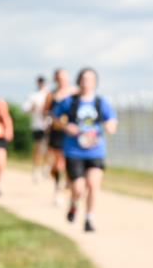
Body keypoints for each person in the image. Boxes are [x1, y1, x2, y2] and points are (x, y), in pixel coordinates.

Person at [51, 67, 118, 233]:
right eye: (84, 79)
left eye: (90, 79)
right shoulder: (70, 102)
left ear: (95, 83)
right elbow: (54, 116)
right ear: (79, 81)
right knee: (78, 188)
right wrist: (66, 126)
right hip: (74, 151)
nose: (87, 82)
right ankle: (74, 204)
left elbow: (112, 120)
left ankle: (89, 219)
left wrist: (110, 126)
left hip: (95, 151)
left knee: (93, 185)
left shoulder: (100, 102)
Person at [44, 68, 77, 205]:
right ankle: (58, 189)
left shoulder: (75, 93)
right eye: (59, 78)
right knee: (59, 162)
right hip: (57, 131)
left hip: (71, 131)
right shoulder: (52, 95)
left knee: (70, 161)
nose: (62, 80)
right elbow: (46, 112)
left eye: (64, 77)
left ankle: (69, 186)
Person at [23, 75, 51, 180]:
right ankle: (36, 168)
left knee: (48, 148)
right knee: (38, 147)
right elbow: (25, 109)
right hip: (37, 125)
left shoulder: (49, 94)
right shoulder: (33, 95)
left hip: (49, 125)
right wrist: (32, 107)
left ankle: (46, 167)